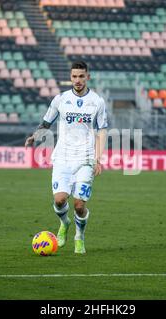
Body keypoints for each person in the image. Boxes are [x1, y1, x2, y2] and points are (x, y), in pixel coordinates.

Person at [25, 61, 108, 254]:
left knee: (79, 205)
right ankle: (64, 223)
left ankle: (79, 236)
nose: (77, 80)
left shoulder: (97, 102)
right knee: (60, 200)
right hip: (62, 158)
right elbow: (46, 122)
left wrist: (98, 158)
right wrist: (35, 137)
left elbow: (102, 130)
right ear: (70, 77)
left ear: (88, 76)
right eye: (74, 76)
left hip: (86, 159)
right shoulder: (61, 99)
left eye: (81, 76)